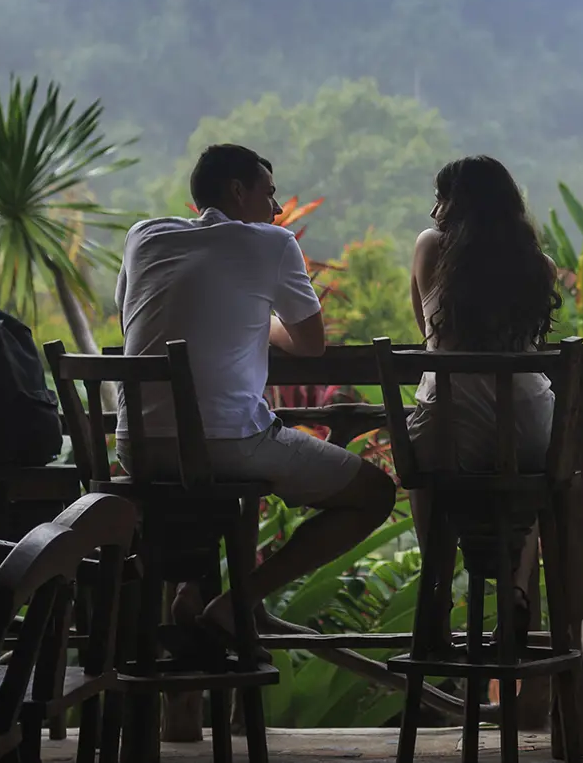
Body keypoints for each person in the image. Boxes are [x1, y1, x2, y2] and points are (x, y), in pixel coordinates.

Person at [114, 143, 397, 646]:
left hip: (136, 447)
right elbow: (311, 345)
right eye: (268, 194)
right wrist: (263, 322)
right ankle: (239, 600)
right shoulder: (272, 243)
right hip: (223, 446)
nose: (277, 209)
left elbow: (142, 313)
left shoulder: (144, 236)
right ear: (237, 191)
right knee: (374, 494)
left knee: (200, 477)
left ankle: (193, 592)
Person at [405, 155, 561, 647]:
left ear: (457, 204)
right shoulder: (541, 266)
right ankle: (516, 591)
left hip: (452, 424)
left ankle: (435, 591)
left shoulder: (430, 248)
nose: (435, 210)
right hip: (526, 424)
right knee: (541, 483)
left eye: (441, 198)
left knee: (429, 469)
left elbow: (427, 335)